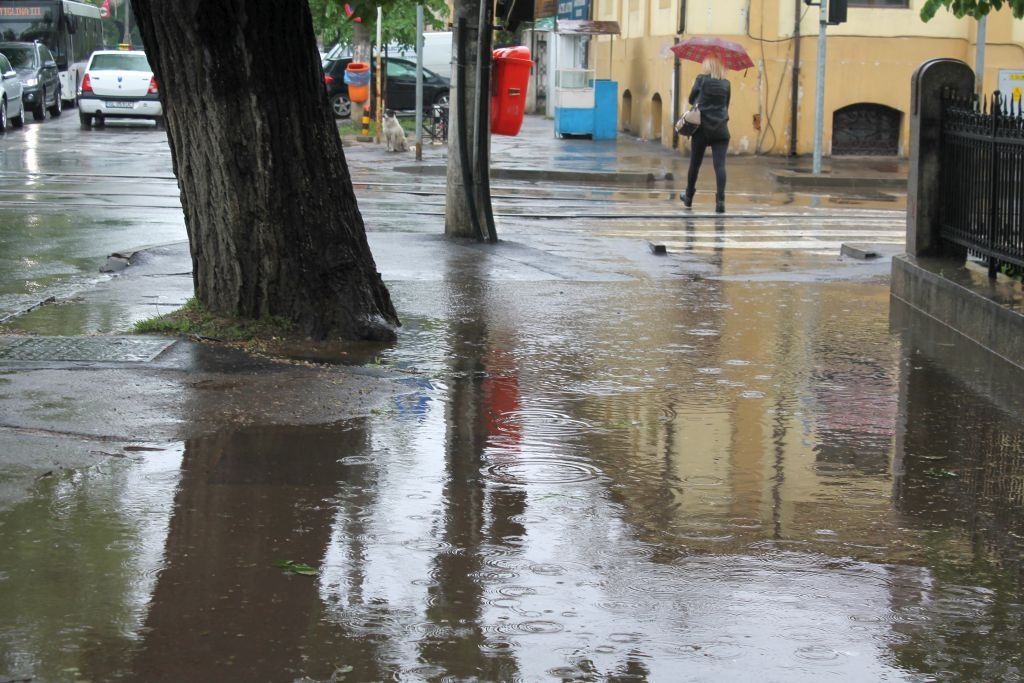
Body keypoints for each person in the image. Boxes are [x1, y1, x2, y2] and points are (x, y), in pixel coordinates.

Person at [679, 56, 731, 213]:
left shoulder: (701, 80)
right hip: (721, 130)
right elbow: (725, 105)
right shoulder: (726, 84)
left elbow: (690, 99)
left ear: (708, 65)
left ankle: (688, 197)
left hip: (702, 129)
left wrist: (698, 97)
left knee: (695, 164)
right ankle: (720, 201)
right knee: (720, 165)